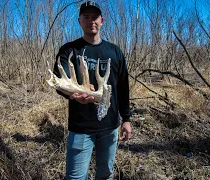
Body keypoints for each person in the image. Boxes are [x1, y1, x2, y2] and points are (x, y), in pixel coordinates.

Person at [52, 1, 132, 179]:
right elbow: (59, 82)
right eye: (86, 17)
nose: (91, 21)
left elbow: (123, 88)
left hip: (110, 126)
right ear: (79, 21)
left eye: (94, 17)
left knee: (105, 175)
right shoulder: (69, 50)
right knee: (75, 177)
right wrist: (73, 94)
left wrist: (126, 118)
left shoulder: (114, 52)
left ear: (102, 20)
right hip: (81, 126)